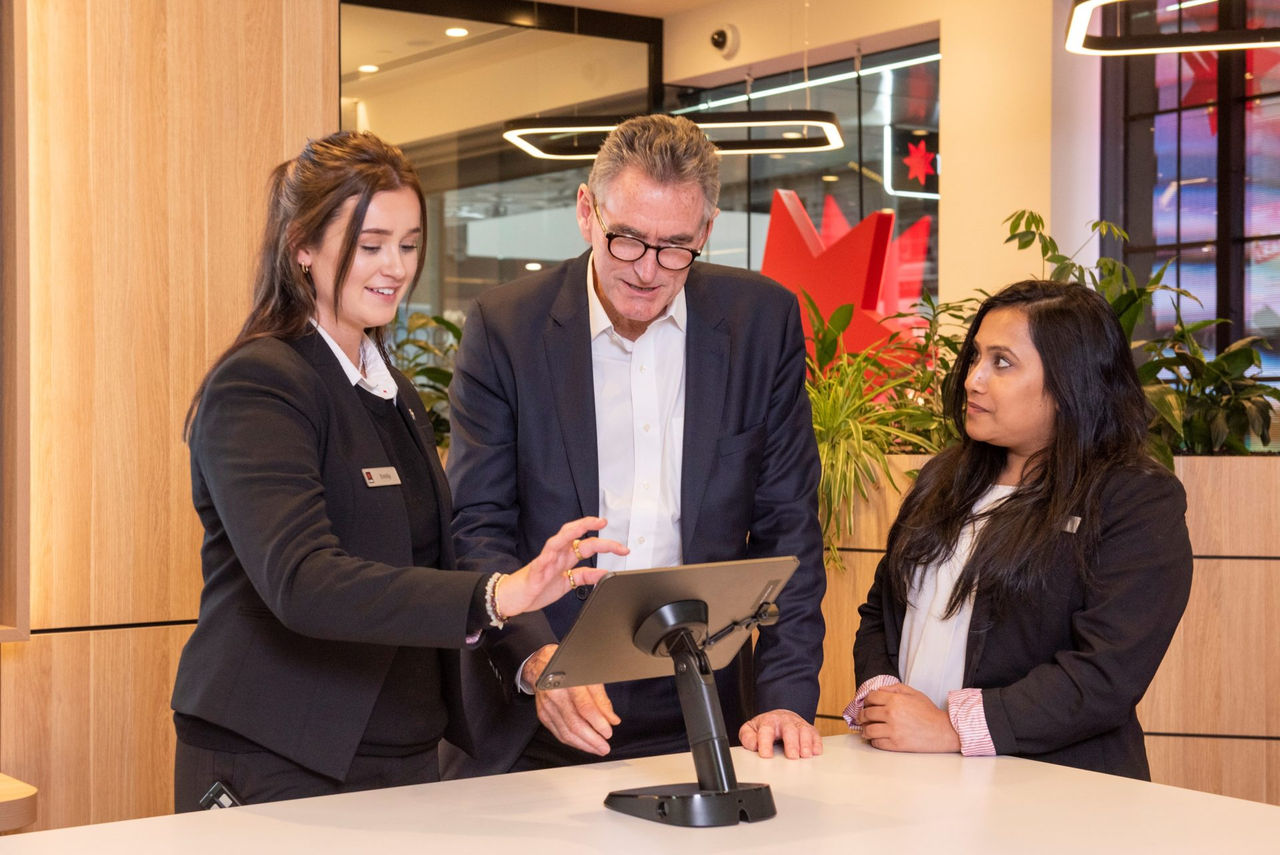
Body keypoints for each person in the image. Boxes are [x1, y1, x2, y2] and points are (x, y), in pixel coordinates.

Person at [170, 131, 626, 810]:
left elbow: (425, 557)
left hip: (399, 750)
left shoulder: (393, 391)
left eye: (409, 245)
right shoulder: (261, 382)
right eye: (371, 244)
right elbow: (303, 580)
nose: (395, 267)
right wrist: (497, 594)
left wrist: (526, 637)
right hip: (279, 752)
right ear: (301, 246)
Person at [443, 113, 827, 776]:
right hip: (544, 702)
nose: (648, 271)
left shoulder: (759, 323)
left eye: (675, 247)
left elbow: (788, 528)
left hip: (705, 702)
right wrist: (536, 659)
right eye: (627, 241)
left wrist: (786, 700)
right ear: (586, 213)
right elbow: (477, 525)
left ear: (706, 231)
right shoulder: (507, 328)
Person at [846, 279, 1193, 779]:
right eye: (975, 357)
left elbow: (1106, 672)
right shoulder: (943, 477)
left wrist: (951, 728)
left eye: (1002, 362)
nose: (973, 379)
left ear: (1070, 382)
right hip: (912, 777)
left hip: (1056, 789)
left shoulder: (1134, 498)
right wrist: (883, 697)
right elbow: (881, 610)